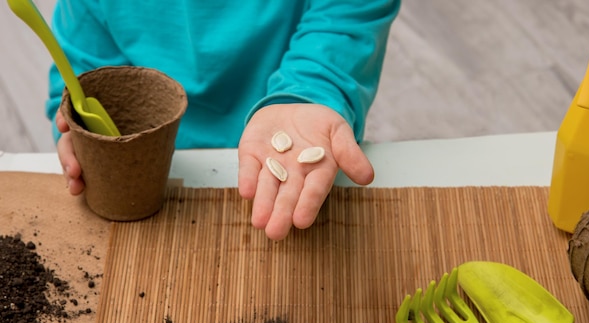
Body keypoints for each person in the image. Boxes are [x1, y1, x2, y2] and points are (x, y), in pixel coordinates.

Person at [47, 0, 401, 240]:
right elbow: (80, 68)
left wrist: (310, 90)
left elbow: (345, 15)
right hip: (148, 167)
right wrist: (80, 133)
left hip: (299, 144)